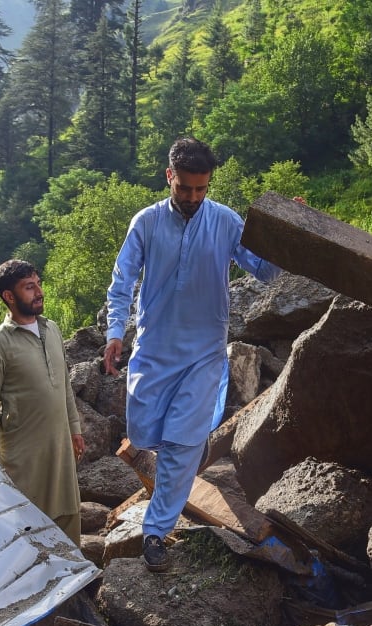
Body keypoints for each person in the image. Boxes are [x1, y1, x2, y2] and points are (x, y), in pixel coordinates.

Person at [103, 137, 282, 573]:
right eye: (185, 188)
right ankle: (181, 460)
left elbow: (267, 270)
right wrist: (113, 333)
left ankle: (155, 531)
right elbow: (122, 279)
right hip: (154, 349)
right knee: (144, 434)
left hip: (204, 352)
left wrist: (284, 233)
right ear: (170, 177)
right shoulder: (145, 222)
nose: (193, 197)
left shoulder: (225, 221)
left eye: (201, 189)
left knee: (182, 444)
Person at [0, 259, 85, 545]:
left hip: (60, 446)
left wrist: (75, 428)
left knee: (68, 515)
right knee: (29, 527)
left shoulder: (52, 330)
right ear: (9, 297)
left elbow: (64, 385)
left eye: (38, 283)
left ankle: (76, 584)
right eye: (29, 287)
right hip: (23, 457)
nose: (39, 292)